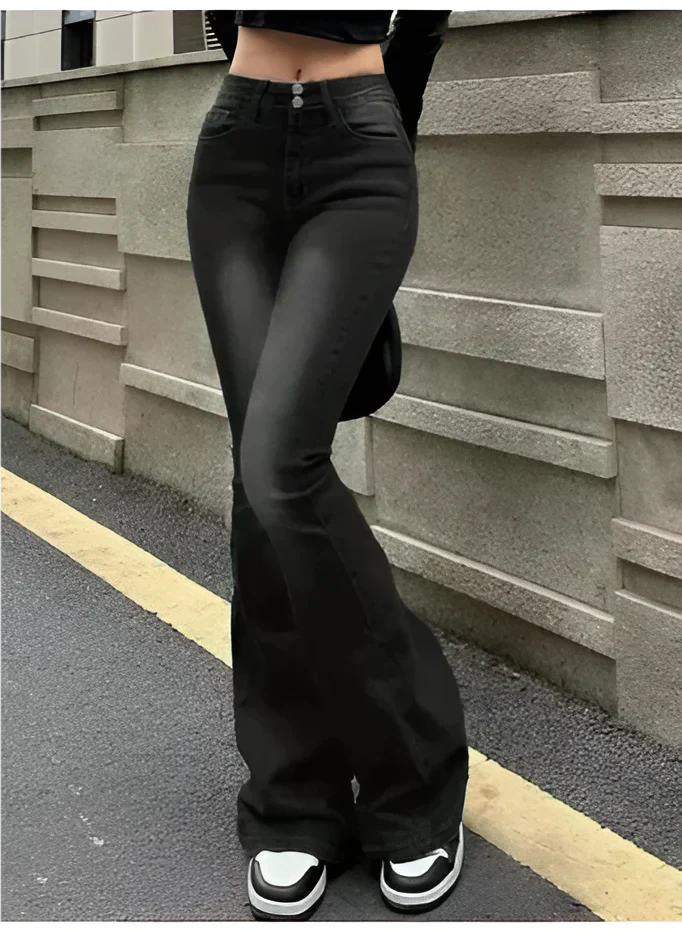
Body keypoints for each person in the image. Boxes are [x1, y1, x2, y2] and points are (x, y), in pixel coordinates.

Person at [186, 11, 468, 921]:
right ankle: (294, 799)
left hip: (359, 149)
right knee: (255, 479)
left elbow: (422, 22)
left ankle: (414, 779)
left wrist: (385, 121)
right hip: (235, 149)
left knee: (279, 466)